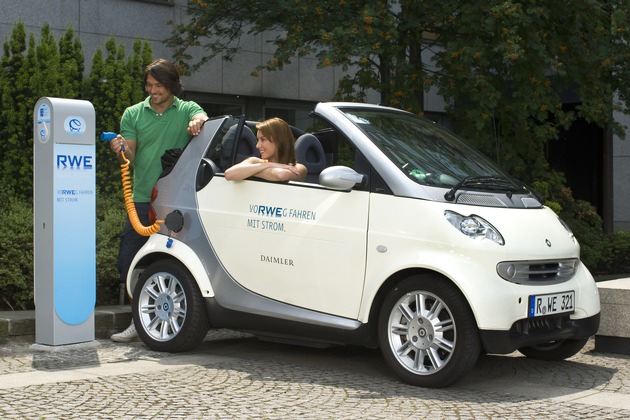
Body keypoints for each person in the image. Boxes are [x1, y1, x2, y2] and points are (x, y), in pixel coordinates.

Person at [109, 58, 208, 342]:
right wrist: (120, 150)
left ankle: (182, 317)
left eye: (159, 85)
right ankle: (137, 319)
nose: (153, 90)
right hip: (142, 198)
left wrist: (197, 122)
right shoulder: (133, 114)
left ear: (172, 85)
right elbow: (129, 156)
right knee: (128, 259)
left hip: (177, 199)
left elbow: (201, 117)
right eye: (149, 85)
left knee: (178, 259)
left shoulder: (186, 109)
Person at [224, 117, 307, 182]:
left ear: (279, 141)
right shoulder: (254, 161)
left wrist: (248, 172)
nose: (257, 145)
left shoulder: (298, 168)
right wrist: (268, 165)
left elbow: (281, 175)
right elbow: (229, 174)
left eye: (263, 139)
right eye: (258, 140)